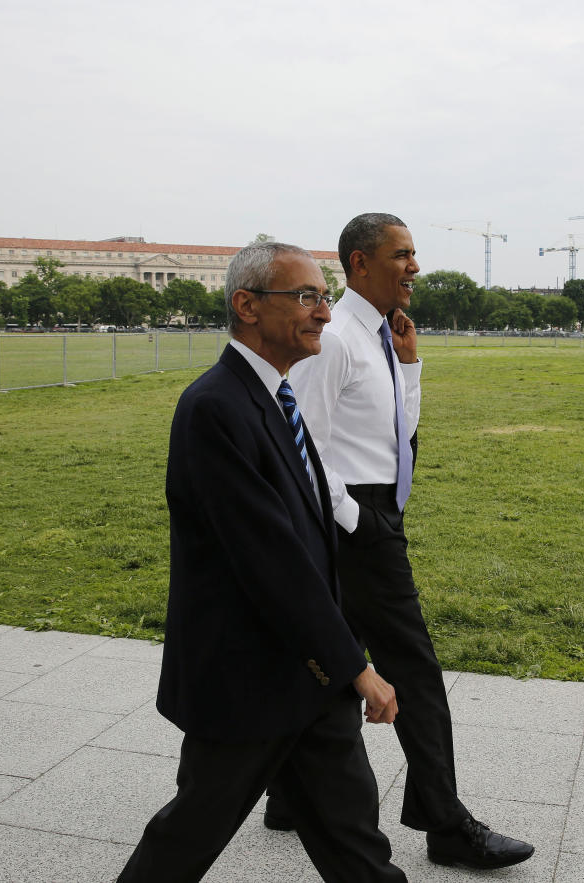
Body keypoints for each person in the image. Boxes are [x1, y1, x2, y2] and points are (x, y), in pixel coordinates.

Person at [116, 241, 406, 883]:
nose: (324, 314)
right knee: (186, 838)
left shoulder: (273, 397)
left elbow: (301, 539)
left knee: (356, 841)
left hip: (307, 676)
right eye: (305, 296)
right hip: (249, 679)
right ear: (247, 306)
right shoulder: (217, 407)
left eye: (324, 297)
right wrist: (355, 665)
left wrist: (338, 660)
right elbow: (269, 558)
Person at [279, 213, 534, 870]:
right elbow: (295, 442)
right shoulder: (336, 340)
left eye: (414, 253)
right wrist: (356, 520)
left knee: (321, 655)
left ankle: (286, 788)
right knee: (412, 668)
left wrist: (411, 366)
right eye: (402, 254)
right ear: (360, 264)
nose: (415, 266)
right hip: (351, 520)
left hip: (371, 513)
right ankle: (445, 824)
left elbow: (396, 431)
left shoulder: (383, 336)